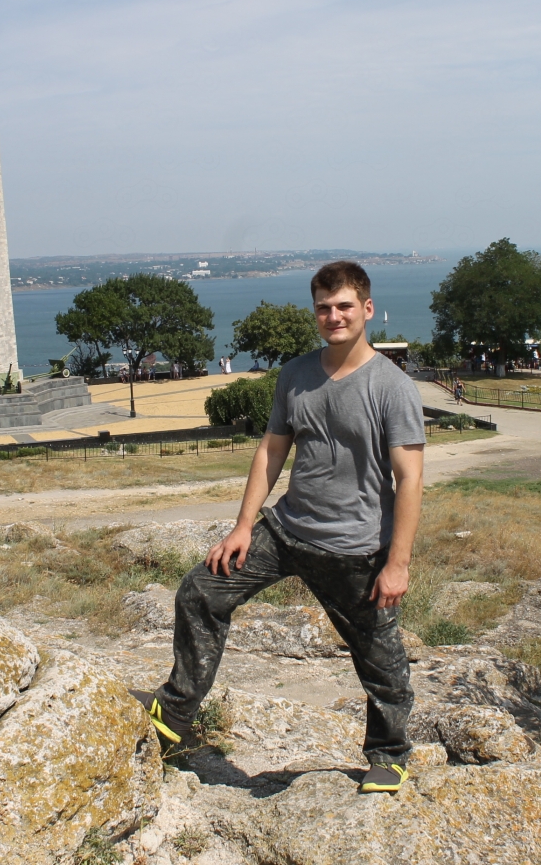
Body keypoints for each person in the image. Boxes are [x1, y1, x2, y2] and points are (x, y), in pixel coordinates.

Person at [131, 261, 425, 795]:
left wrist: (397, 563)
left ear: (367, 309)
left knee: (381, 659)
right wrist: (243, 526)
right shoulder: (295, 375)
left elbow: (409, 478)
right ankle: (174, 711)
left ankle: (389, 755)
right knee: (202, 590)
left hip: (357, 549)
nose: (334, 316)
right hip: (287, 531)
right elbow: (271, 451)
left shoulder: (392, 386)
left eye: (344, 306)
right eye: (323, 308)